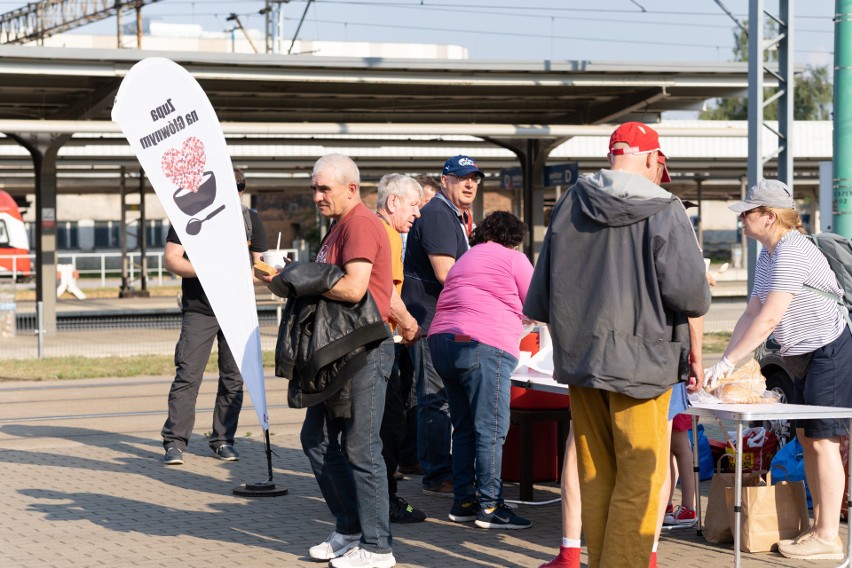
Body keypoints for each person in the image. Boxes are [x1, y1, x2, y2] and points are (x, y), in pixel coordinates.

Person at [524, 121, 711, 568]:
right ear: (651, 158)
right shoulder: (666, 208)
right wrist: (696, 357)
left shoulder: (570, 202)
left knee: (596, 474)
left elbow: (540, 296)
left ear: (613, 155)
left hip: (582, 363)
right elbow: (691, 295)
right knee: (641, 477)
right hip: (644, 366)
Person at [705, 178, 852, 562]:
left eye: (747, 213)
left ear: (769, 217)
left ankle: (827, 536)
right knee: (806, 440)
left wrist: (727, 362)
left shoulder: (792, 251)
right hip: (800, 354)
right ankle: (818, 528)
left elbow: (769, 319)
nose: (741, 219)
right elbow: (752, 311)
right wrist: (723, 361)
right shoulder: (768, 255)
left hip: (828, 350)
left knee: (824, 443)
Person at [296, 154, 397, 568]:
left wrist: (299, 279)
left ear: (351, 189)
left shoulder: (358, 224)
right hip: (338, 352)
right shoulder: (337, 227)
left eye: (325, 189)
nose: (317, 195)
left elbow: (355, 289)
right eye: (314, 188)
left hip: (364, 351)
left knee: (361, 446)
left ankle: (378, 548)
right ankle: (350, 528)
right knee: (317, 440)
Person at [428, 211, 534, 529]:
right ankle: (490, 507)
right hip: (484, 344)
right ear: (515, 238)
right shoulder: (513, 259)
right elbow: (536, 303)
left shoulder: (465, 258)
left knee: (464, 428)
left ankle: (464, 501)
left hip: (443, 342)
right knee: (491, 429)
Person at [161, 169, 267, 466]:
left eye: (240, 187)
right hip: (200, 309)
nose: (236, 192)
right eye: (230, 186)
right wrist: (208, 271)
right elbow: (171, 258)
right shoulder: (188, 216)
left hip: (237, 309)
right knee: (188, 375)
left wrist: (267, 274)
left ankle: (223, 439)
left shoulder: (250, 219)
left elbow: (260, 267)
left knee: (233, 378)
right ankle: (174, 442)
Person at [401, 155, 481, 496]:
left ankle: (415, 459)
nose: (470, 184)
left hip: (439, 317)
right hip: (431, 319)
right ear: (444, 180)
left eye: (474, 178)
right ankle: (436, 474)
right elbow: (446, 273)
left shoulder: (454, 216)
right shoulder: (437, 214)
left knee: (423, 395)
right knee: (434, 398)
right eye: (462, 177)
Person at [375, 173, 427, 524]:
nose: (418, 214)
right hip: (381, 343)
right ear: (393, 202)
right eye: (413, 206)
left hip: (368, 342)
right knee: (391, 426)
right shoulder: (389, 235)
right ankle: (386, 501)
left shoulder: (371, 229)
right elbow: (387, 294)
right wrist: (410, 324)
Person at [396, 174, 442, 478]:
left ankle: (409, 456)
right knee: (407, 390)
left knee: (412, 389)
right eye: (418, 202)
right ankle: (407, 457)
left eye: (423, 202)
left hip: (411, 317)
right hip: (404, 317)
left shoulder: (425, 228)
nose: (420, 209)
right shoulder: (397, 230)